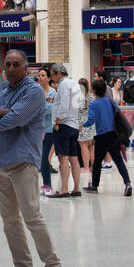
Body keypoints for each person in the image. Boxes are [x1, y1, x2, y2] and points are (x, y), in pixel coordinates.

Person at [0, 50, 67, 267]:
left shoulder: (34, 91)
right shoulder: (4, 89)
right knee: (9, 220)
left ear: (25, 68)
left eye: (16, 64)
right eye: (7, 64)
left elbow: (16, 119)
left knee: (32, 216)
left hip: (22, 162)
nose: (10, 68)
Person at [82, 78, 132, 195]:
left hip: (101, 136)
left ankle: (94, 185)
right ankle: (127, 182)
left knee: (97, 161)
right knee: (118, 161)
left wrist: (82, 125)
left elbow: (91, 120)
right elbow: (117, 113)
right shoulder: (110, 101)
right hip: (114, 135)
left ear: (93, 90)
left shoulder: (93, 104)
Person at [50, 63, 82, 197]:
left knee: (63, 158)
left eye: (52, 75)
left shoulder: (63, 84)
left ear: (58, 73)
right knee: (74, 158)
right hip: (74, 124)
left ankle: (63, 189)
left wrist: (58, 122)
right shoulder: (75, 83)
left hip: (64, 125)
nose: (52, 78)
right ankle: (76, 188)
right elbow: (79, 104)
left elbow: (63, 106)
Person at [35, 66, 57, 196]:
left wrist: (38, 109)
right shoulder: (37, 91)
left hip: (48, 130)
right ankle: (44, 183)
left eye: (43, 75)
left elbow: (49, 109)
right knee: (39, 158)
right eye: (39, 75)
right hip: (37, 129)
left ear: (49, 78)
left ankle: (48, 184)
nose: (40, 77)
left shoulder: (52, 92)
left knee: (45, 157)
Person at [76, 78, 95, 182]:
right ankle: (93, 166)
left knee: (83, 145)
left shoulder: (78, 97)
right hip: (91, 123)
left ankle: (86, 166)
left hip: (81, 124)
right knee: (90, 146)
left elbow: (77, 111)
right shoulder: (91, 96)